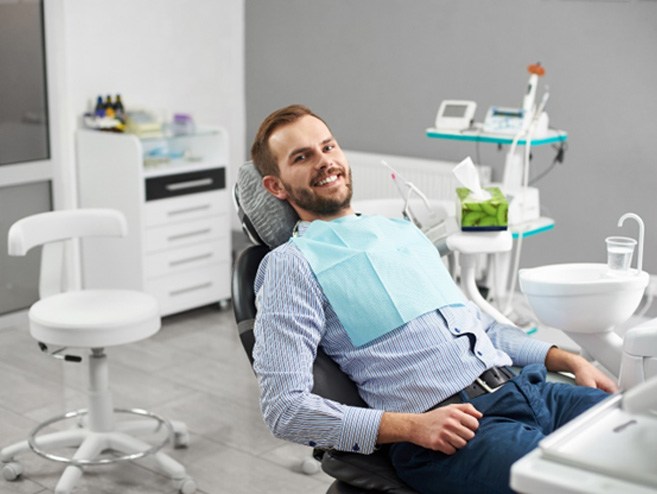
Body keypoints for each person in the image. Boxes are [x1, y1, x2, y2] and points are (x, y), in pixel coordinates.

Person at [249, 104, 617, 494]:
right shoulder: (290, 265)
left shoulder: (401, 232)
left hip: (528, 390)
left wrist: (568, 358)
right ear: (276, 185)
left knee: (639, 439)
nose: (325, 162)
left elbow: (483, 327)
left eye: (328, 147)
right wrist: (411, 426)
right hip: (453, 433)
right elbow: (284, 410)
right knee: (587, 486)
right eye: (302, 157)